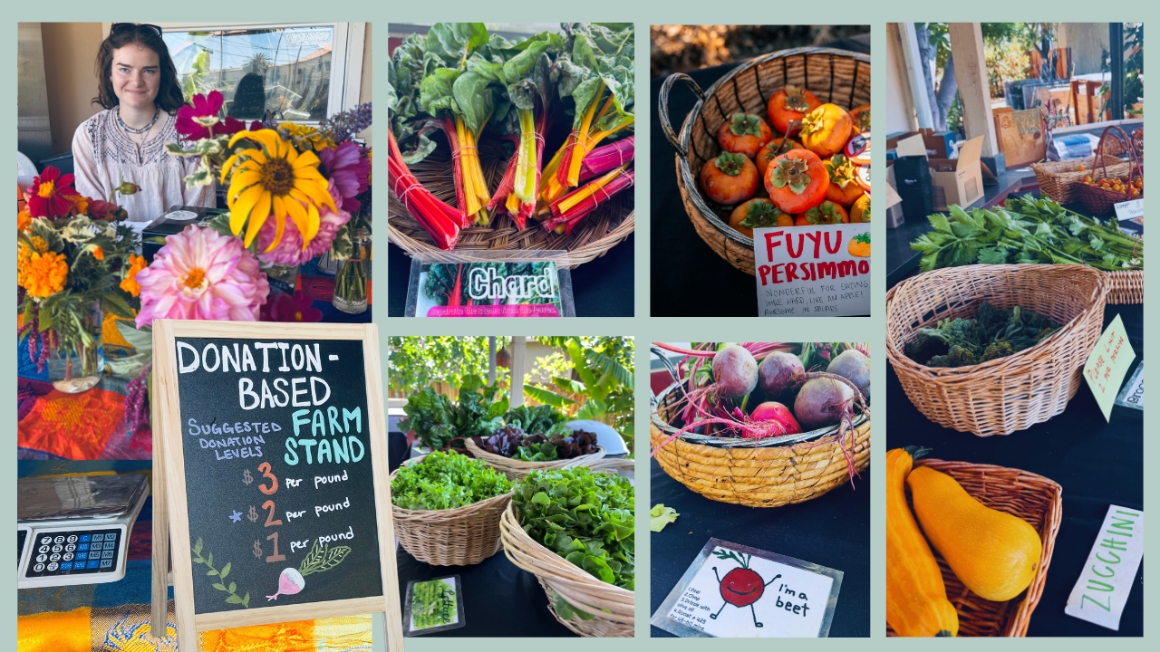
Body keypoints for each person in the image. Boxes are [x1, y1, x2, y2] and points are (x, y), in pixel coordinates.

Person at [72, 23, 213, 222]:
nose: (136, 81)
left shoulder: (191, 132)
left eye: (148, 71)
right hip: (114, 251)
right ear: (109, 74)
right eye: (124, 69)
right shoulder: (88, 135)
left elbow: (201, 216)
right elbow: (92, 221)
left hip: (179, 251)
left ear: (161, 75)